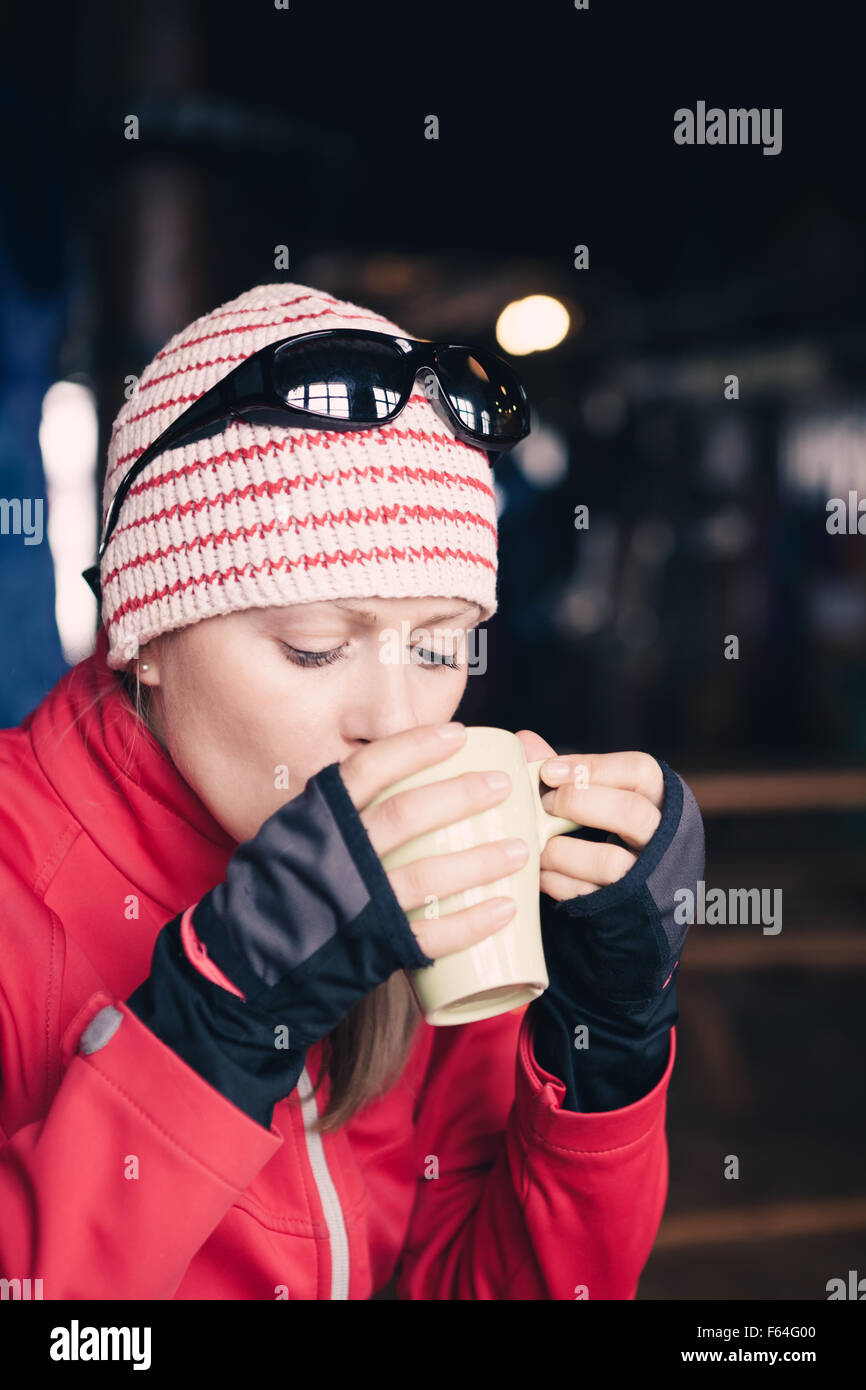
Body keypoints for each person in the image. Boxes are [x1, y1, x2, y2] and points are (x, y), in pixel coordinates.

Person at [0, 283, 704, 1301]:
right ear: (143, 635)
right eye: (315, 646)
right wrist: (214, 1031)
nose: (399, 717)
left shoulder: (433, 892)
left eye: (438, 643)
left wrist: (604, 1052)